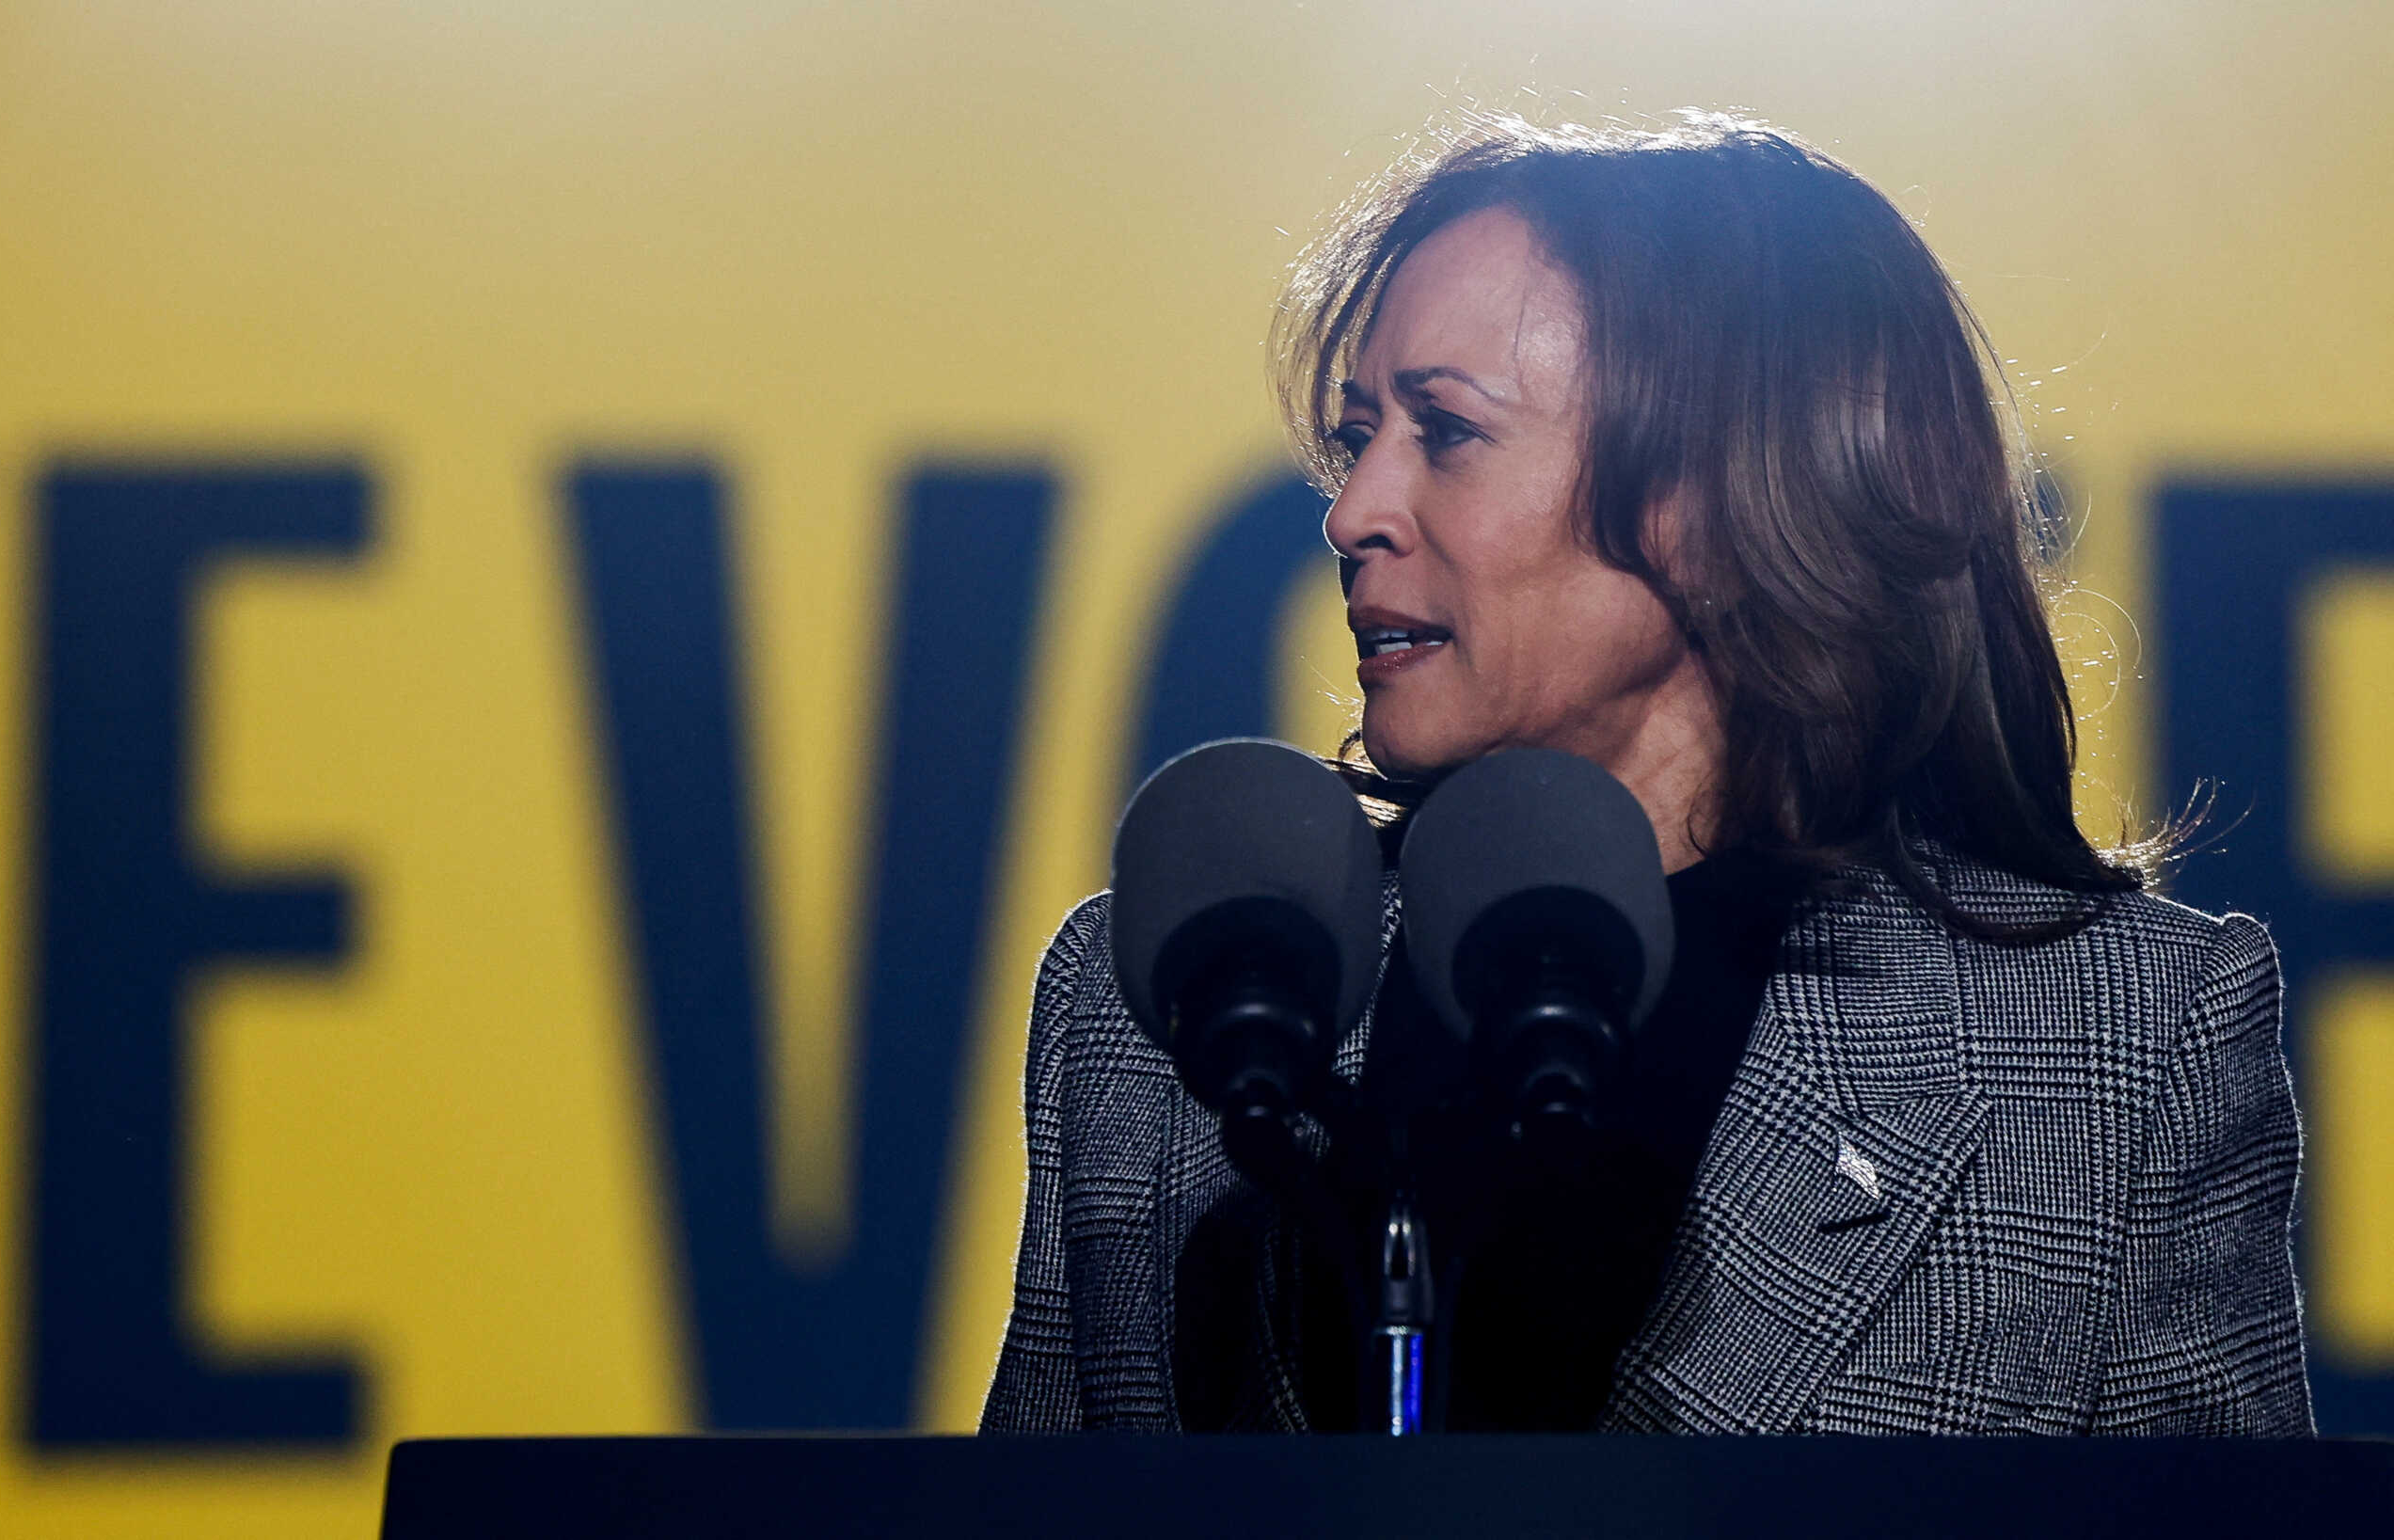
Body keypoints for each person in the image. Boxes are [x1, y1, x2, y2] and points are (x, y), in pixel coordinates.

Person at [981, 113, 2310, 1435]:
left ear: (1715, 494)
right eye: (1358, 437)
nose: (1350, 513)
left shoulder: (2121, 1046)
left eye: (1443, 430)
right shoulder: (1156, 1006)